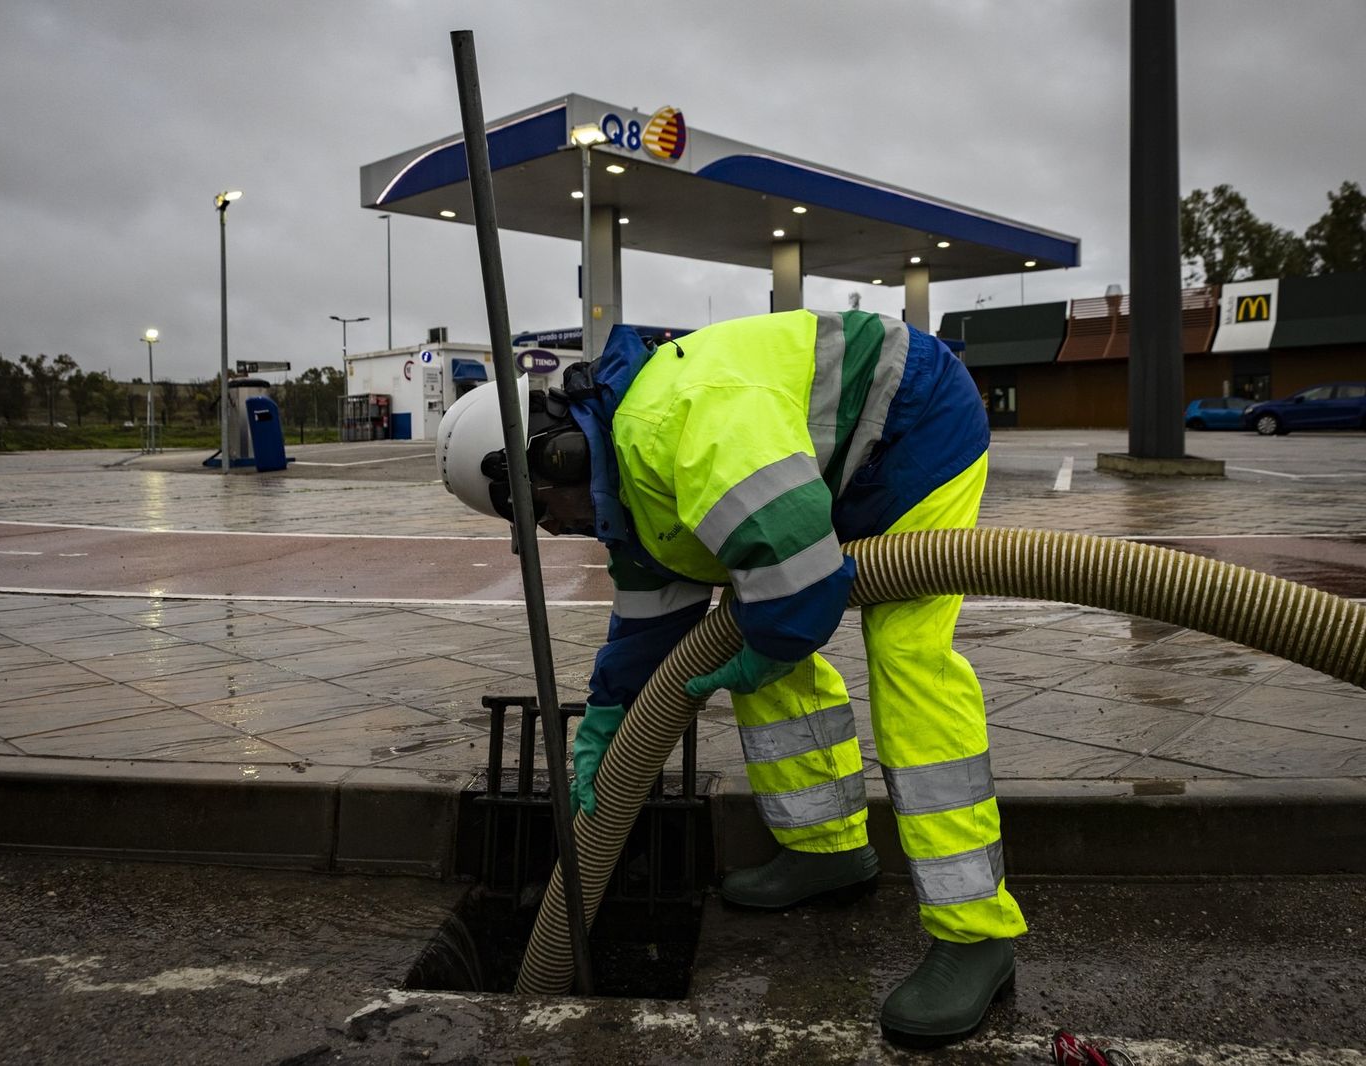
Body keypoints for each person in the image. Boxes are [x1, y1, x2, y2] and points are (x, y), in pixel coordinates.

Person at [438, 309, 1023, 1046]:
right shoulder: (625, 487)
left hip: (912, 423)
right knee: (756, 656)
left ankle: (975, 934)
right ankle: (830, 850)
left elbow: (796, 573)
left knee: (907, 658)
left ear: (553, 456)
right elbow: (648, 630)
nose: (552, 531)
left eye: (538, 513)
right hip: (832, 468)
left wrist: (773, 636)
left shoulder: (674, 426)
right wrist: (606, 725)